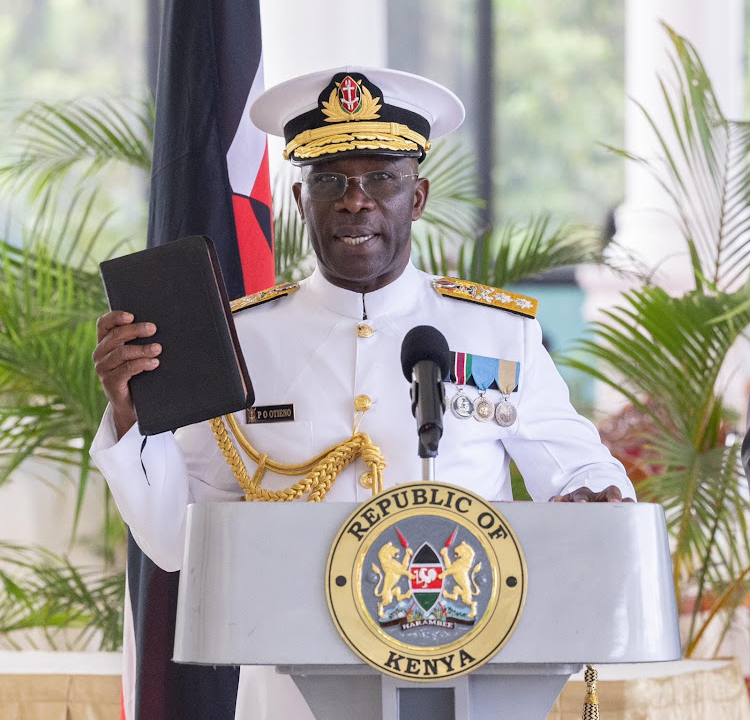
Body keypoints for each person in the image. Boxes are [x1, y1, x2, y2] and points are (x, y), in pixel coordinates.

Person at [91, 67, 635, 719]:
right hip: (294, 688)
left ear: (419, 196)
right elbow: (180, 538)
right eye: (331, 182)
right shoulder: (243, 339)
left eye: (382, 178)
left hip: (465, 668)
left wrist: (595, 495)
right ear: (301, 202)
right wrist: (130, 416)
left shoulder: (496, 331)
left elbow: (579, 469)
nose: (356, 201)